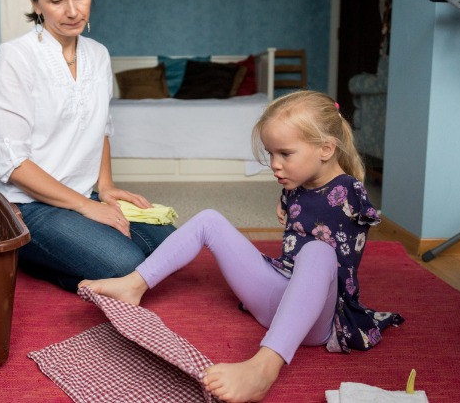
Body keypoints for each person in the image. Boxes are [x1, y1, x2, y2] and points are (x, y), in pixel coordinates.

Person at [80, 90, 404, 403]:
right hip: (277, 297)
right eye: (271, 154)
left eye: (285, 154)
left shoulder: (349, 190)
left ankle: (264, 367)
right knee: (209, 219)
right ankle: (134, 284)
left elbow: (355, 231)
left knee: (318, 252)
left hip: (319, 318)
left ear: (326, 149)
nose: (274, 165)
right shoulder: (296, 184)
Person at [0, 0, 175, 292]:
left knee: (171, 246)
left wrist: (107, 187)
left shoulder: (98, 54)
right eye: (57, 0)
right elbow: (12, 164)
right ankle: (29, 256)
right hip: (27, 205)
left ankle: (77, 253)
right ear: (35, 2)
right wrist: (88, 208)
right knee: (125, 263)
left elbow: (99, 128)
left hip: (82, 195)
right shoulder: (13, 58)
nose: (73, 11)